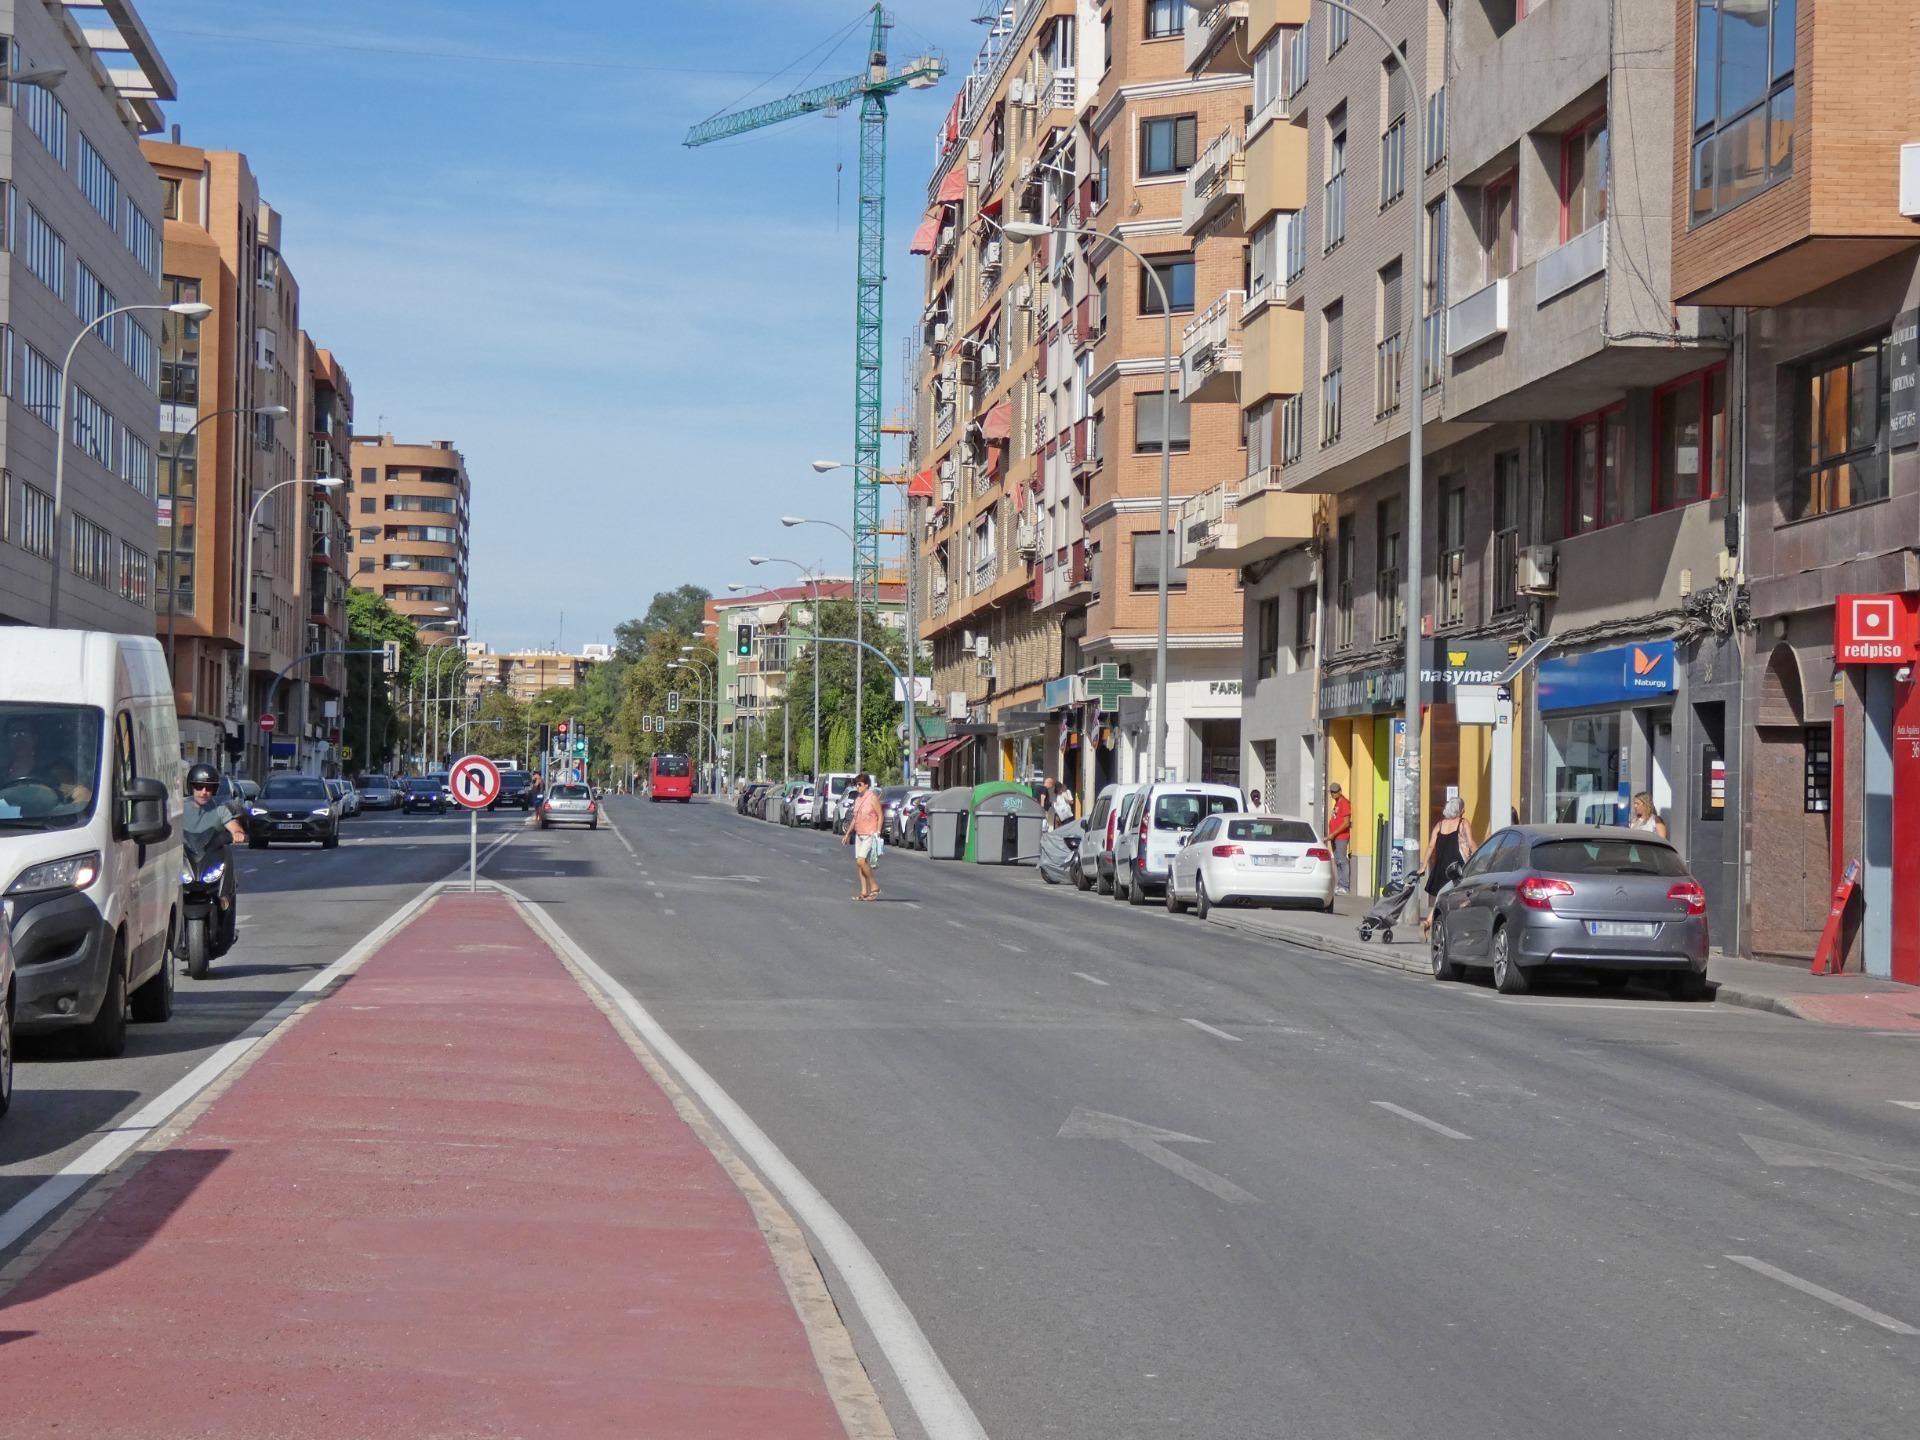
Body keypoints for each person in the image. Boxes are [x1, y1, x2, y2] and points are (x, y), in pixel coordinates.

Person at [1422, 796, 1475, 934]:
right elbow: (1471, 843)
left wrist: (1423, 866)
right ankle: (1431, 921)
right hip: (1455, 867)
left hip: (1440, 865)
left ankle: (1436, 922)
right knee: (1461, 895)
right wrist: (1479, 858)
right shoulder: (1463, 823)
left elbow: (1431, 846)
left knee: (1444, 896)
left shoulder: (1440, 825)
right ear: (1460, 810)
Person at [843, 771, 885, 900]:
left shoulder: (872, 798)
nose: (857, 787)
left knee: (861, 860)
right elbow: (855, 818)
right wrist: (848, 833)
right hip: (859, 833)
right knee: (860, 863)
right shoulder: (858, 799)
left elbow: (880, 815)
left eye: (859, 784)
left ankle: (874, 885)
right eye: (856, 784)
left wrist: (878, 831)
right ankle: (864, 892)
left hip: (870, 833)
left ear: (866, 785)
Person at [1327, 782, 1353, 894]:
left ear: (1340, 791)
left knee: (1342, 860)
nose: (1332, 794)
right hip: (1335, 837)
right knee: (1337, 860)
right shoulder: (1337, 803)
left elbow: (1346, 823)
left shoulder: (1344, 803)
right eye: (1331, 792)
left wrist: (1334, 833)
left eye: (1334, 791)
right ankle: (1340, 884)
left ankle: (1344, 886)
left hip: (1341, 836)